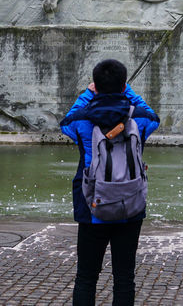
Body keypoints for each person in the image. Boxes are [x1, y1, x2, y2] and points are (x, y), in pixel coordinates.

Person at [59, 59, 160, 306]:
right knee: (124, 278)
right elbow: (153, 116)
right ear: (124, 85)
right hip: (131, 205)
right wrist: (128, 91)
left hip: (92, 204)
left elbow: (66, 121)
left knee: (86, 277)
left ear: (96, 85)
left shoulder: (82, 120)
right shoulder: (140, 118)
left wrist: (87, 93)